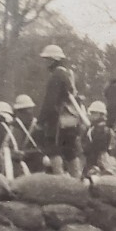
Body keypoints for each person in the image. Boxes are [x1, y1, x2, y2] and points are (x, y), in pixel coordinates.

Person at [37, 44, 84, 177]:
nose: (46, 63)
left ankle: (60, 179)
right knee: (70, 150)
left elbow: (49, 102)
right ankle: (78, 179)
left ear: (53, 60)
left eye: (47, 60)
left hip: (58, 120)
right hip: (72, 120)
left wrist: (41, 121)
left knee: (52, 148)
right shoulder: (69, 74)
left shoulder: (56, 75)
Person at [11, 93, 46, 173]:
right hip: (22, 163)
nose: (29, 112)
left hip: (34, 163)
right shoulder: (14, 126)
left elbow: (43, 147)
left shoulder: (36, 126)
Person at [81, 101, 115, 176]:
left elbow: (99, 146)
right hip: (91, 159)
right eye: (92, 113)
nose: (92, 115)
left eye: (94, 113)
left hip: (99, 158)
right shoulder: (92, 127)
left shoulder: (103, 128)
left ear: (101, 114)